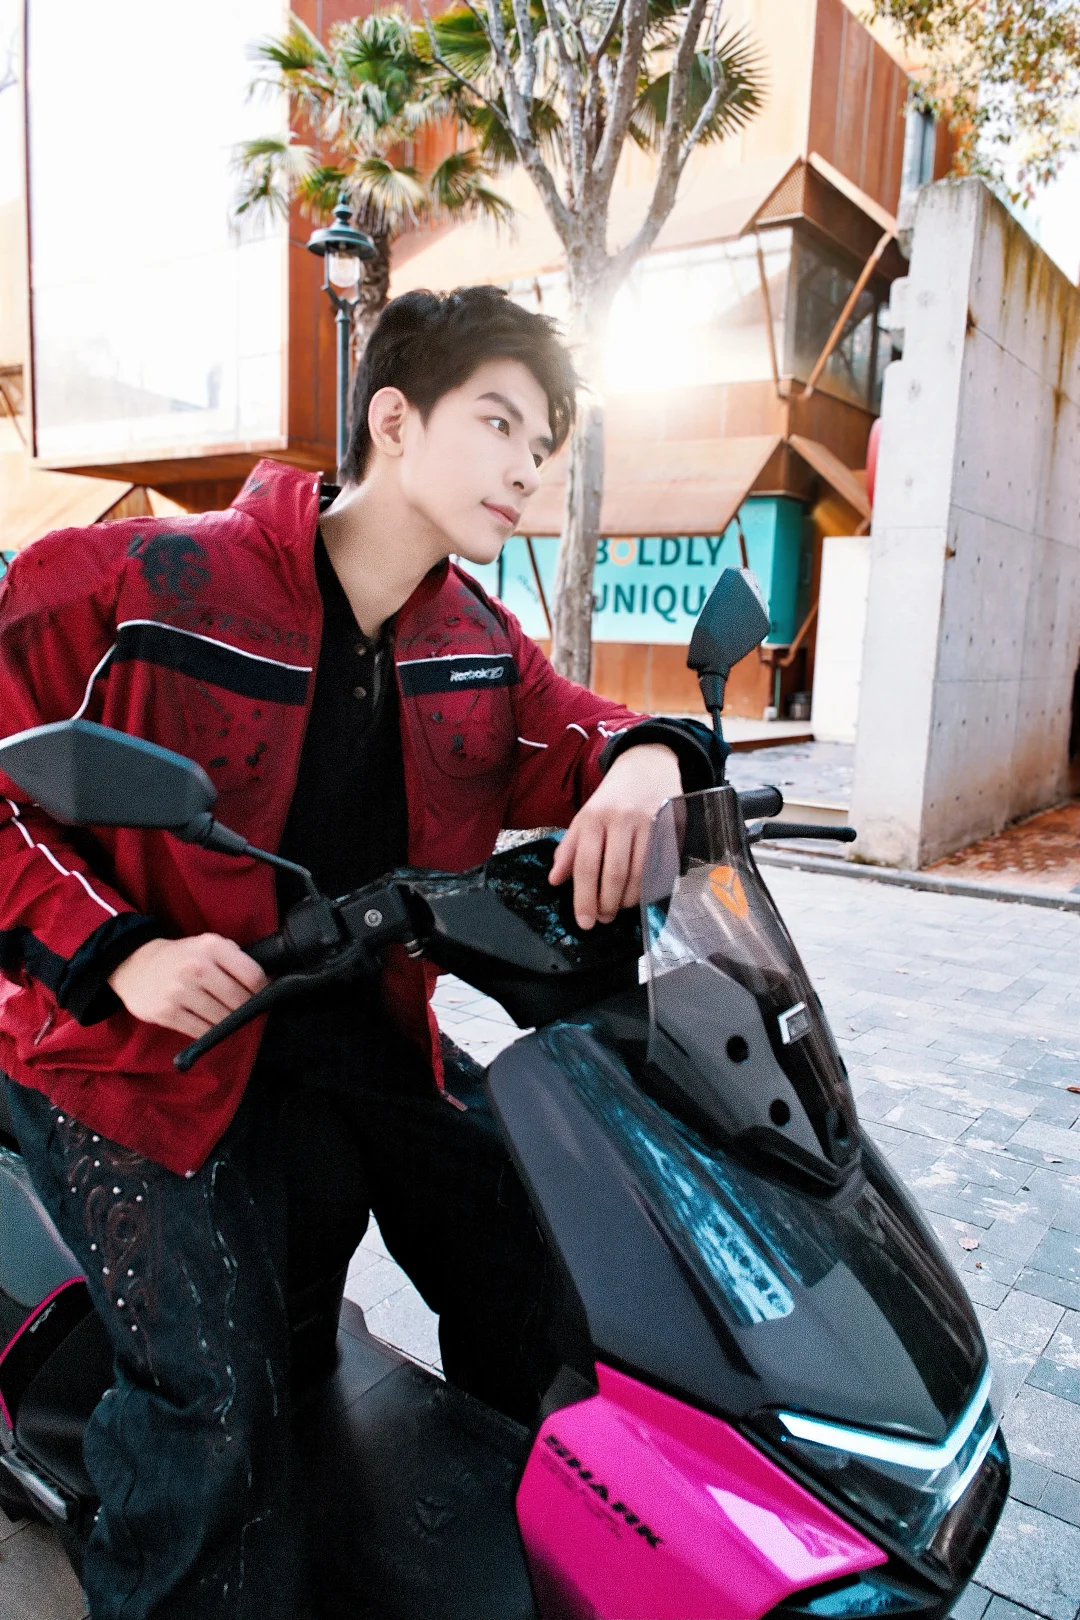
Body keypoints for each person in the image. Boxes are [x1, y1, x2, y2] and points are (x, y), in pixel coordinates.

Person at [0, 286, 714, 1619]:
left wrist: (651, 759)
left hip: (354, 1026)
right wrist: (122, 951)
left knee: (546, 1264)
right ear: (394, 417)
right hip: (134, 1052)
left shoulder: (470, 640)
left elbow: (584, 727)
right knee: (213, 1400)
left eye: (543, 442)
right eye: (497, 423)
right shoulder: (146, 584)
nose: (526, 466)